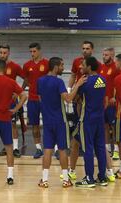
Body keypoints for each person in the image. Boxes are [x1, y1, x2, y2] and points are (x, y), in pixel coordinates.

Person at [37, 57, 86, 188]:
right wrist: (78, 84)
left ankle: (44, 180)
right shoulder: (58, 82)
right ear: (55, 66)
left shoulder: (40, 81)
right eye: (62, 65)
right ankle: (65, 180)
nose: (63, 68)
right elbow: (69, 99)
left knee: (47, 150)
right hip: (60, 121)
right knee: (63, 150)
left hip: (47, 120)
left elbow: (40, 98)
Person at [75, 56, 107, 188]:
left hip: (87, 119)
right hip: (100, 118)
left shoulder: (85, 82)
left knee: (87, 148)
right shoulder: (103, 79)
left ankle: (89, 178)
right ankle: (102, 176)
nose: (81, 67)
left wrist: (77, 85)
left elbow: (75, 97)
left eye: (83, 65)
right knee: (100, 147)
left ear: (89, 66)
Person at [0, 44, 25, 158]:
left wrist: (18, 92)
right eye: (1, 52)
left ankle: (15, 148)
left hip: (11, 101)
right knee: (2, 124)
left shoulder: (15, 66)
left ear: (8, 53)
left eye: (5, 52)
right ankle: (6, 146)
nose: (3, 55)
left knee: (12, 124)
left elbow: (26, 78)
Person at [23, 42, 49, 159]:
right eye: (31, 52)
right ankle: (38, 148)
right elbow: (26, 80)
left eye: (34, 51)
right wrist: (20, 91)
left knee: (49, 124)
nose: (32, 54)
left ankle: (52, 148)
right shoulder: (27, 65)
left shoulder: (47, 63)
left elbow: (51, 79)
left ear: (39, 51)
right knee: (35, 125)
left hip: (45, 100)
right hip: (32, 99)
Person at [99, 47, 118, 182]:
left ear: (112, 55)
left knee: (114, 126)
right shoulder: (100, 68)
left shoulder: (115, 67)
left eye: (107, 55)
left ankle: (115, 148)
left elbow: (118, 83)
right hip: (102, 102)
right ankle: (107, 149)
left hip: (112, 102)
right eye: (103, 54)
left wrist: (115, 97)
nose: (104, 56)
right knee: (105, 126)